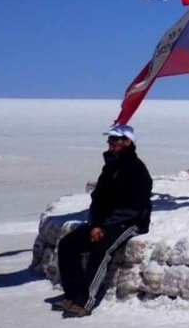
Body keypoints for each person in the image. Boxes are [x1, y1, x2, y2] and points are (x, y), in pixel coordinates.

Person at [52, 124, 153, 318]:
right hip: (104, 222)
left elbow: (133, 206)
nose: (110, 143)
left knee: (101, 250)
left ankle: (85, 301)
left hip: (129, 223)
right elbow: (98, 198)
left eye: (115, 139)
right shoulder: (110, 167)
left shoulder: (136, 170)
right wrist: (95, 223)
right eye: (110, 139)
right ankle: (71, 296)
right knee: (67, 244)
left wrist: (103, 226)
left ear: (128, 142)